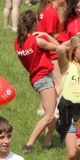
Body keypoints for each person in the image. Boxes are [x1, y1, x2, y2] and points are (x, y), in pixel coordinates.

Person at [14, 12, 58, 152]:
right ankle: (29, 144)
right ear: (34, 24)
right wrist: (47, 36)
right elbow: (58, 47)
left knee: (52, 112)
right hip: (43, 78)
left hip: (35, 78)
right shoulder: (37, 40)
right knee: (49, 115)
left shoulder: (17, 42)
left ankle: (48, 142)